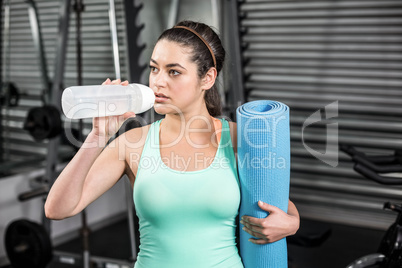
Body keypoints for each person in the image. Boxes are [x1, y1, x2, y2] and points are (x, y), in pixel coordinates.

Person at [45, 20, 299, 267]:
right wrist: (98, 135)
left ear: (208, 78)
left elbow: (278, 205)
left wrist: (293, 223)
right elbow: (58, 208)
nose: (158, 82)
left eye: (173, 71)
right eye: (154, 68)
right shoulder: (133, 143)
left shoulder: (238, 139)